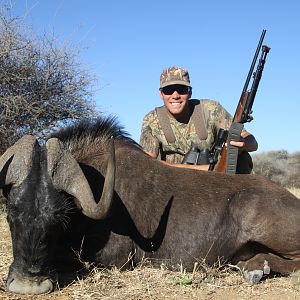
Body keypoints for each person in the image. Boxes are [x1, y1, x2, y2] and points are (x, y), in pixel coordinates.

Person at [139, 66, 258, 173]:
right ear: (161, 94)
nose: (175, 96)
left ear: (190, 93)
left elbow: (252, 142)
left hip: (216, 180)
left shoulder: (211, 109)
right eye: (169, 90)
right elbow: (146, 162)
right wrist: (201, 170)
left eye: (181, 89)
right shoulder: (152, 120)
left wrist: (243, 143)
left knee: (241, 157)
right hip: (173, 182)